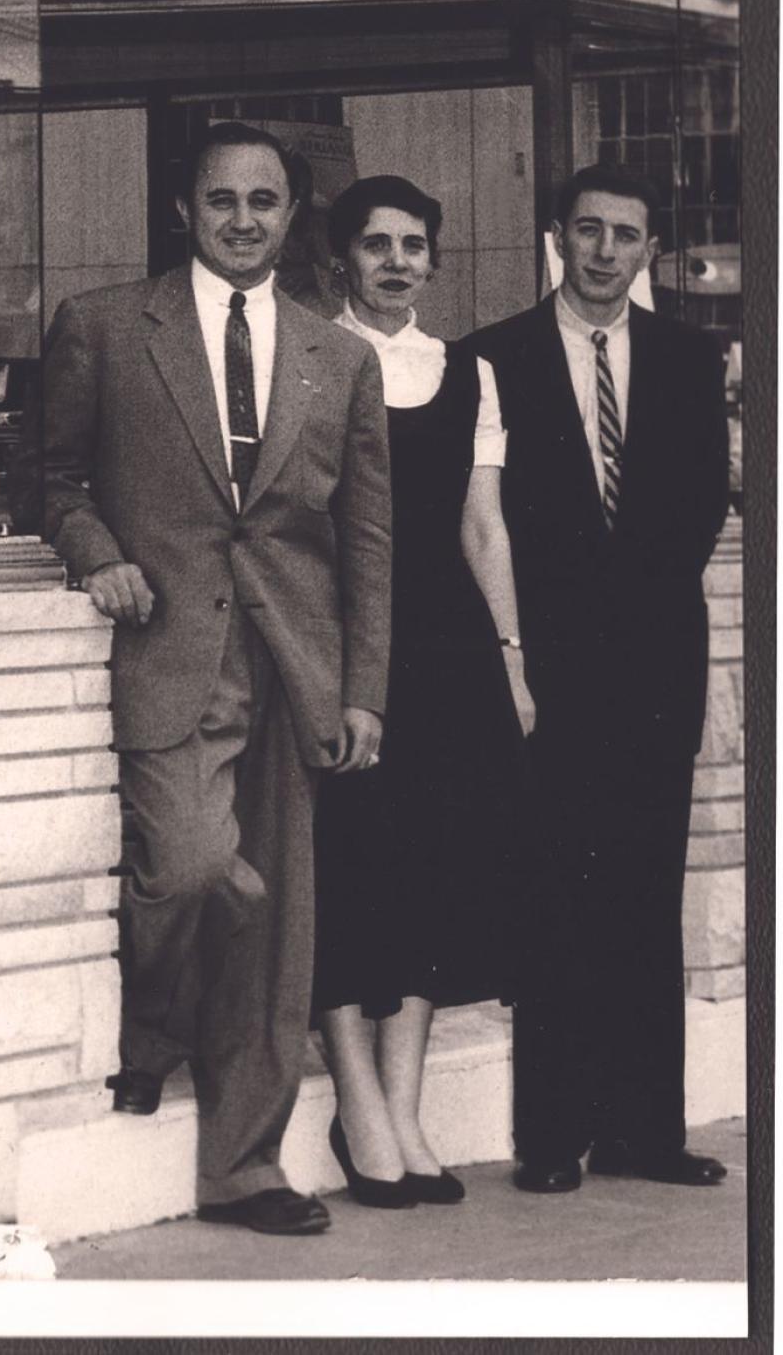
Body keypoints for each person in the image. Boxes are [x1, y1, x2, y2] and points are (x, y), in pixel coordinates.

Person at [10, 122, 392, 1237]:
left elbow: (367, 538)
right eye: (219, 198)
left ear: (290, 216)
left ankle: (244, 1171)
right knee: (186, 870)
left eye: (262, 201)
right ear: (182, 209)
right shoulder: (103, 327)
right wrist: (98, 553)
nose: (240, 218)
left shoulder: (341, 356)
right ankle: (155, 1031)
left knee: (279, 938)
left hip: (296, 668)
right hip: (172, 650)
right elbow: (50, 479)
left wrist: (362, 688)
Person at [472, 166, 731, 1194]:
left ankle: (641, 1133)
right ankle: (550, 1138)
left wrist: (628, 634)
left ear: (648, 251)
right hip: (546, 674)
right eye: (586, 231)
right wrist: (535, 653)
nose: (603, 251)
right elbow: (490, 519)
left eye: (624, 235)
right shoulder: (493, 357)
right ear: (555, 239)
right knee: (552, 900)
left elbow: (696, 507)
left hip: (654, 673)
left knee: (640, 900)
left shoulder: (683, 356)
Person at [309, 176, 533, 1209]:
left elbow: (480, 526)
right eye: (374, 245)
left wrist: (512, 660)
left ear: (433, 260)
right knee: (353, 870)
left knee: (432, 874)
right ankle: (356, 1106)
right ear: (341, 259)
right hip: (347, 645)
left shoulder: (468, 372)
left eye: (411, 245)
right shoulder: (311, 358)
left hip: (444, 649)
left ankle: (403, 1111)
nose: (394, 261)